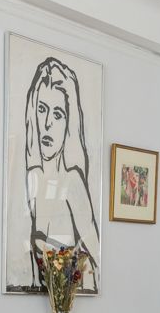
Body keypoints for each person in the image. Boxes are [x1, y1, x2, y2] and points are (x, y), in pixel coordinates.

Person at [14, 54, 99, 291]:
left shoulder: (72, 181)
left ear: (69, 123)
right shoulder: (33, 178)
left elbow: (95, 258)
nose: (48, 122)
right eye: (42, 109)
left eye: (58, 114)